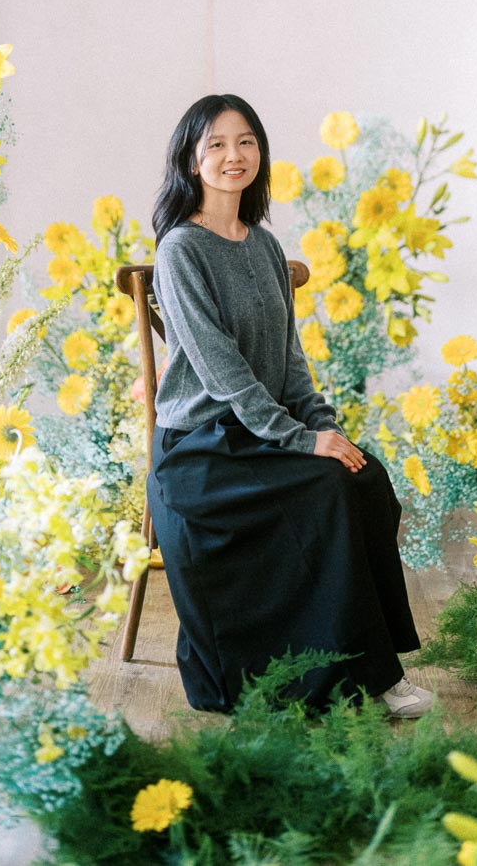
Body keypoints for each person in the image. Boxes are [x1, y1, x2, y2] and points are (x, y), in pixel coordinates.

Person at [146, 93, 432, 717]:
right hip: (201, 450)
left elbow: (290, 361)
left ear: (260, 153)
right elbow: (224, 374)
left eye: (245, 141)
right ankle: (368, 682)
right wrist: (301, 441)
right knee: (325, 489)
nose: (233, 155)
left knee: (366, 477)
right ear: (192, 160)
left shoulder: (266, 247)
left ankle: (366, 671)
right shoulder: (180, 250)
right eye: (216, 144)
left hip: (257, 436)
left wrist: (325, 427)